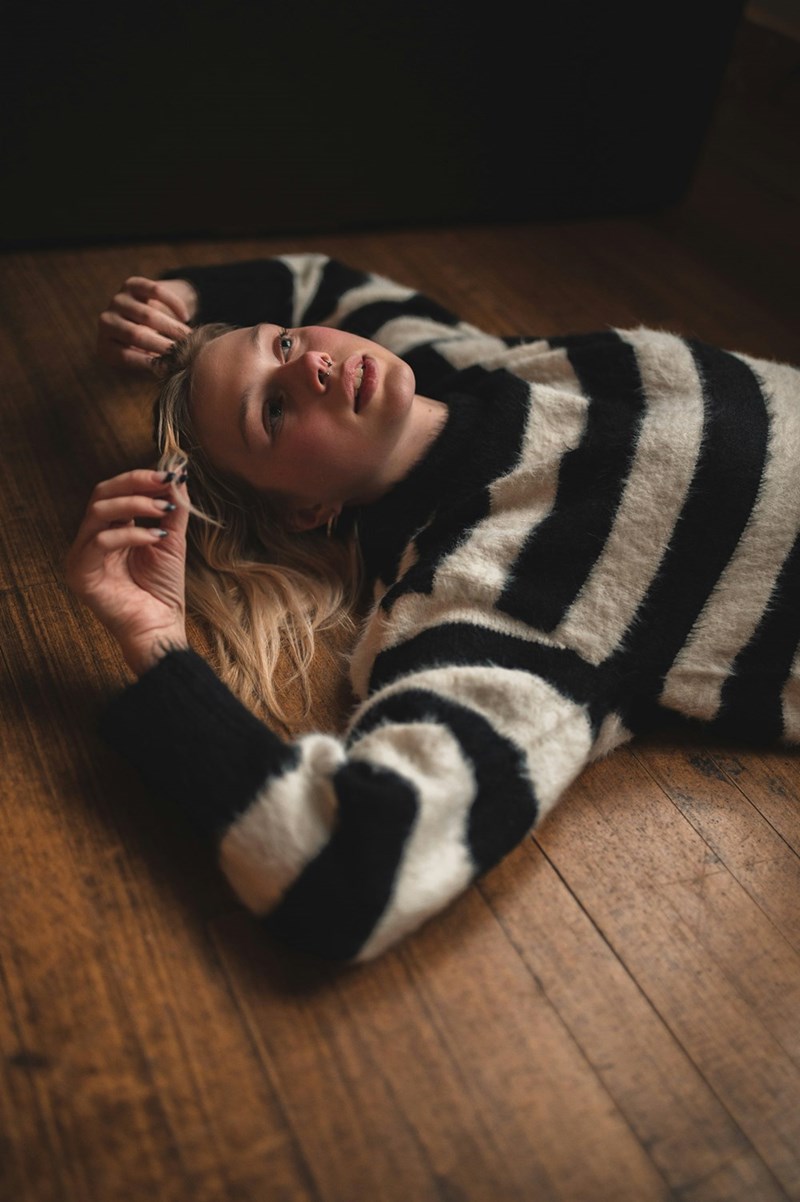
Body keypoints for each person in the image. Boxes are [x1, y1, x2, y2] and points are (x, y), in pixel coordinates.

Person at [68, 254, 800, 962]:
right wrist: (155, 640)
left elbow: (323, 282)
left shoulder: (470, 366)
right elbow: (349, 870)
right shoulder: (489, 589)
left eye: (284, 343)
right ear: (306, 511)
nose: (308, 365)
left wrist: (180, 299)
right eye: (275, 409)